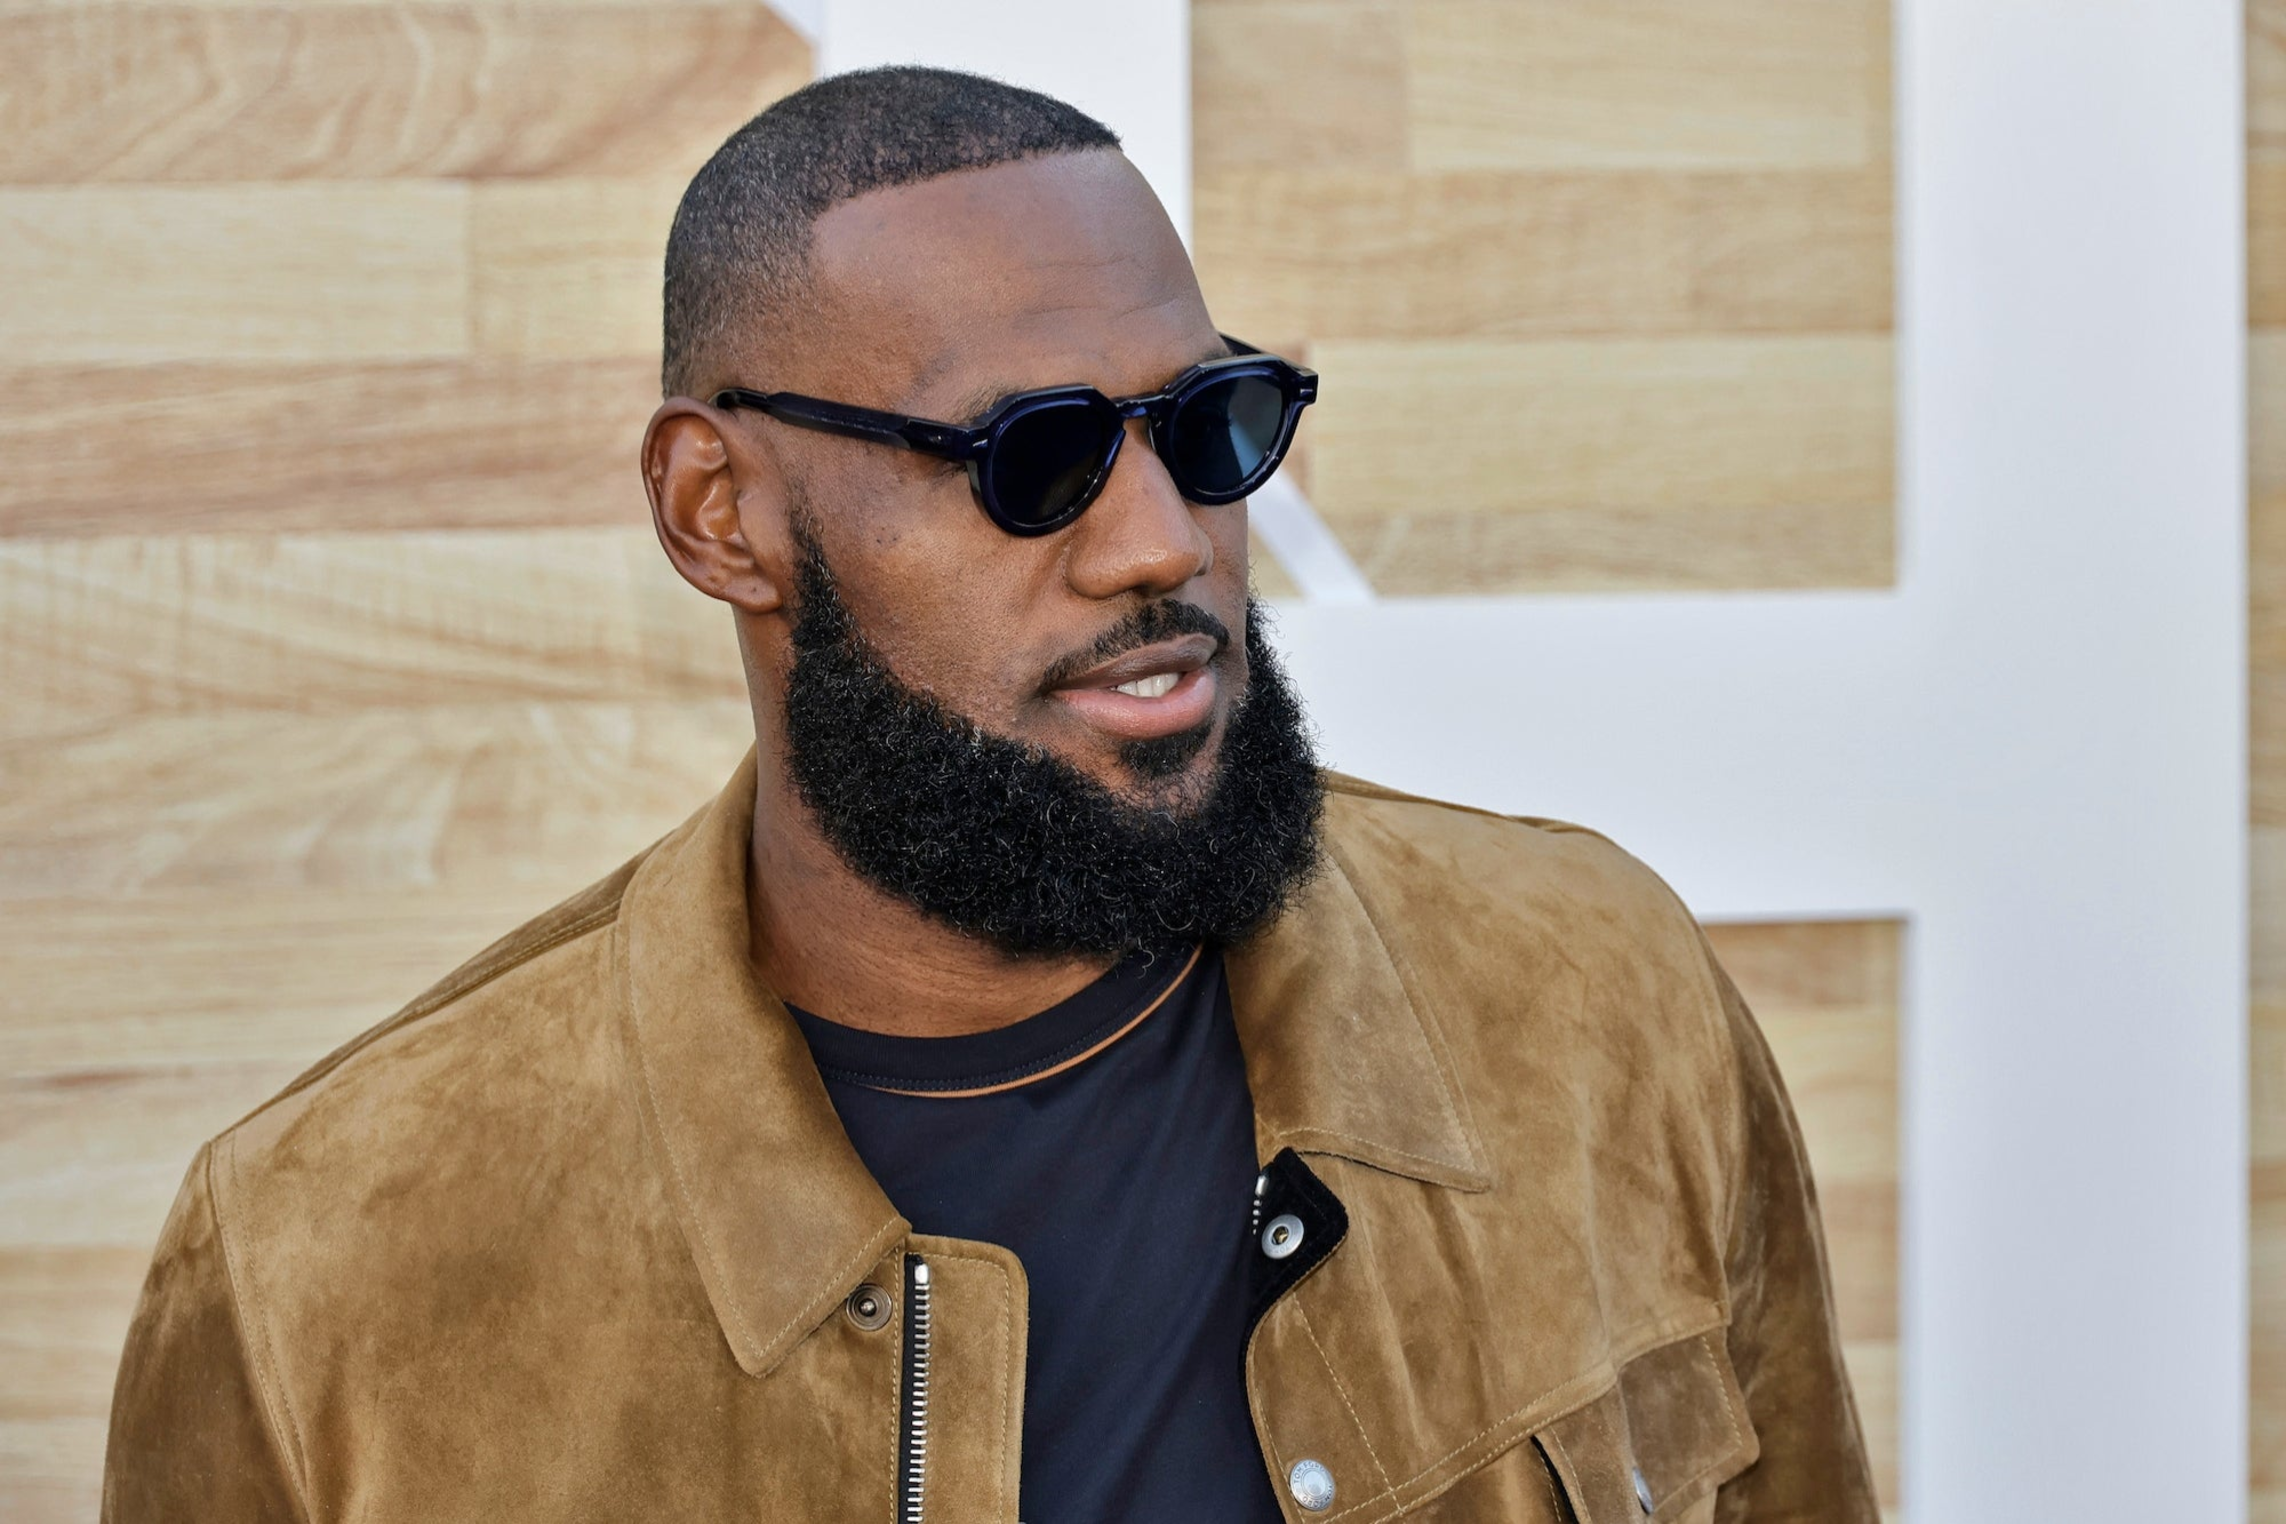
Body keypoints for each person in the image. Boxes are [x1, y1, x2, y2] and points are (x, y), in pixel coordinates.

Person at [101, 66, 1878, 1523]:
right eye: (1035, 458)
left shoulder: (1592, 990)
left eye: (1209, 425)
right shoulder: (327, 1256)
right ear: (721, 515)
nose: (1160, 543)